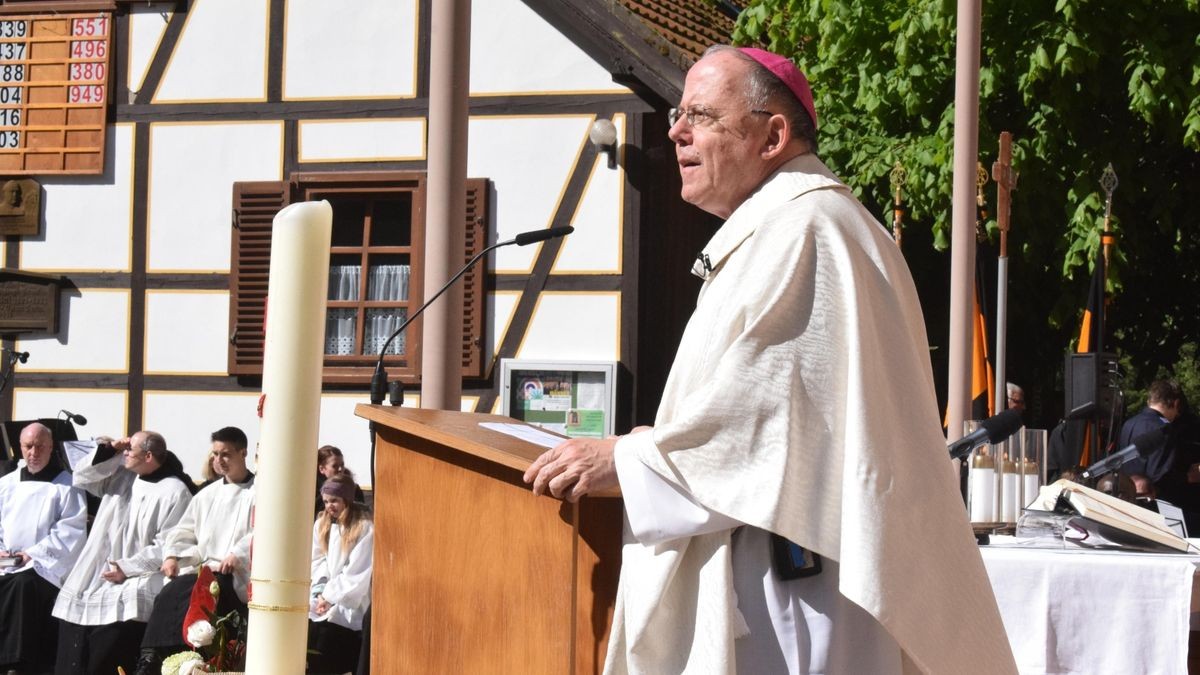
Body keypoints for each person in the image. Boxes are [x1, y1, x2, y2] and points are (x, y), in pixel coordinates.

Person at [525, 45, 1015, 673]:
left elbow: (767, 428)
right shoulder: (786, 227)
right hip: (776, 568)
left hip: (787, 587)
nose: (676, 130)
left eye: (701, 115)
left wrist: (629, 457)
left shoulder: (808, 230)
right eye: (680, 114)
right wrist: (660, 441)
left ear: (773, 135)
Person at [52, 431, 196, 675]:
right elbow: (82, 476)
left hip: (137, 573)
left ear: (148, 456)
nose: (126, 453)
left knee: (110, 635)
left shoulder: (175, 491)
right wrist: (110, 449)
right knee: (74, 621)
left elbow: (170, 542)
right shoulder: (122, 475)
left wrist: (127, 568)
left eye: (131, 450)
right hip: (99, 566)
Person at [135, 427, 255, 675]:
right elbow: (184, 531)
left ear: (243, 452)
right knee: (170, 592)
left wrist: (238, 554)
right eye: (215, 454)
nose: (219, 461)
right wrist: (172, 556)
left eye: (226, 454)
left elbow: (262, 531)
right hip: (205, 568)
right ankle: (153, 656)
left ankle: (197, 661)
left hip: (235, 574)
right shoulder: (207, 494)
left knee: (210, 591)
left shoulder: (259, 492)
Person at [0, 423, 87, 673]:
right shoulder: (6, 484)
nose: (34, 452)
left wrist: (32, 554)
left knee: (22, 586)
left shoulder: (67, 485)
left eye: (40, 446)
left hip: (42, 565)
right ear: (20, 448)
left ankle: (15, 662)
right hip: (7, 563)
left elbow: (70, 530)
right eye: (28, 446)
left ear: (51, 448)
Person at [308, 471, 373, 675]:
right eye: (326, 501)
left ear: (346, 499)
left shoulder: (364, 528)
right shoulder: (321, 524)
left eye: (334, 501)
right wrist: (320, 590)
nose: (329, 506)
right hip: (323, 600)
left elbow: (357, 572)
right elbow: (317, 560)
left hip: (350, 606)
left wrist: (331, 596)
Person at [1119, 380, 1182, 482]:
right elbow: (1161, 476)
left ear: (1150, 401)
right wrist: (1188, 476)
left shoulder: (1129, 423)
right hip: (1149, 494)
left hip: (1124, 491)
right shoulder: (1165, 430)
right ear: (1176, 403)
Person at [314, 445, 364, 516]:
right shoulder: (313, 493)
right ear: (322, 469)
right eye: (335, 466)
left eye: (342, 465)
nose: (340, 469)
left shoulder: (354, 489)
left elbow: (361, 513)